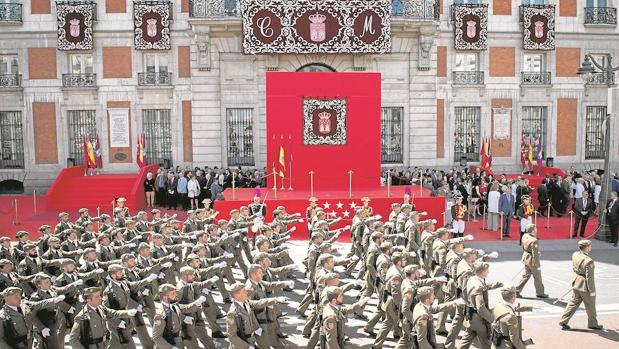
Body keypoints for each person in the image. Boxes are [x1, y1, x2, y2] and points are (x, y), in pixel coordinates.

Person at [69, 287, 137, 349]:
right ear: (89, 300)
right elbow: (73, 339)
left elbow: (113, 313)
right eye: (97, 297)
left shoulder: (101, 308)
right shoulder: (82, 316)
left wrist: (128, 312)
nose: (100, 298)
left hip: (103, 344)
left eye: (100, 296)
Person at [559, 240, 603, 330]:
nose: (591, 247)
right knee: (590, 306)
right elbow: (589, 278)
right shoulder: (589, 261)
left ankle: (563, 320)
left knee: (573, 303)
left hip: (576, 282)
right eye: (590, 246)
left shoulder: (575, 254)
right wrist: (592, 291)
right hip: (584, 286)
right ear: (586, 247)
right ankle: (593, 324)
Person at [514, 224, 548, 298]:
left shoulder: (524, 236)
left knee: (525, 276)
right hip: (532, 261)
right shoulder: (534, 240)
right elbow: (535, 254)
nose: (536, 230)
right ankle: (540, 292)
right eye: (535, 229)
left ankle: (516, 290)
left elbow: (523, 247)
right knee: (538, 277)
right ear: (533, 230)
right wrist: (537, 265)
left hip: (526, 257)